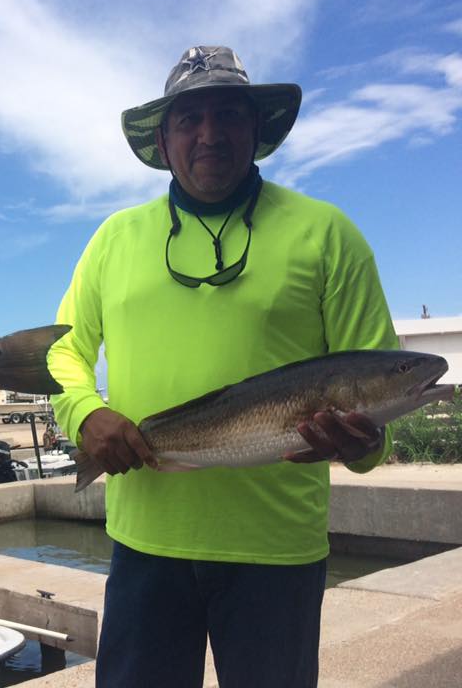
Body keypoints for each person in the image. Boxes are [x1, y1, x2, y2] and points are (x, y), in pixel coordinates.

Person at [48, 46, 398, 687]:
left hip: (277, 551)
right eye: (190, 118)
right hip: (146, 543)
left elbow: (380, 385)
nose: (210, 134)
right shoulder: (113, 240)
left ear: (256, 128)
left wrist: (367, 443)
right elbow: (63, 349)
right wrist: (85, 412)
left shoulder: (327, 235)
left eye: (230, 114)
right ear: (163, 140)